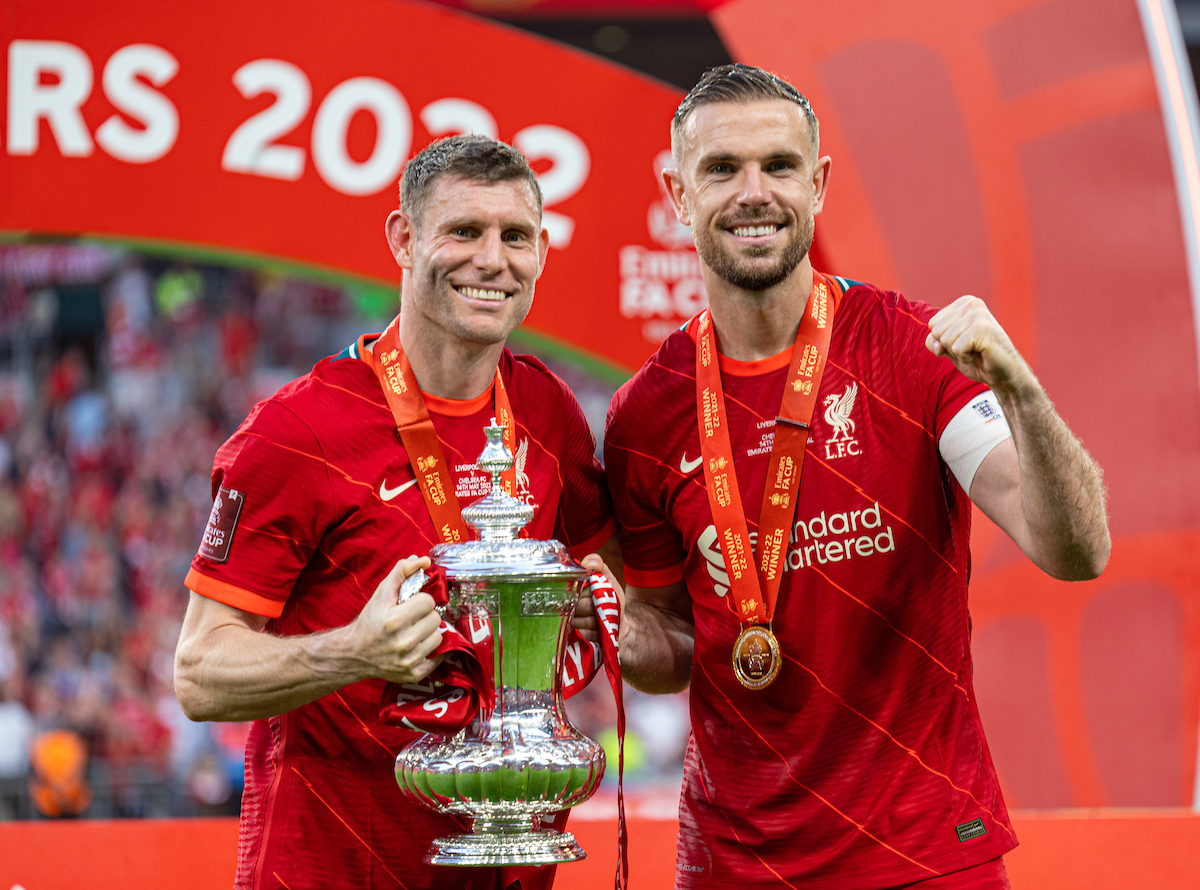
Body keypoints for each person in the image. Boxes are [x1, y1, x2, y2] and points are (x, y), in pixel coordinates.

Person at [603, 64, 1110, 890]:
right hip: (735, 865)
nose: (753, 192)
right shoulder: (643, 417)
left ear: (820, 182)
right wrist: (614, 631)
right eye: (721, 169)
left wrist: (1021, 391)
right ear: (678, 190)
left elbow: (1075, 551)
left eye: (779, 165)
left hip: (924, 850)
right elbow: (667, 649)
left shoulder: (913, 353)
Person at [174, 134, 617, 890]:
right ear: (403, 239)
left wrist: (592, 611)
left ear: (542, 250)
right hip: (332, 869)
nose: (492, 260)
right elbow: (200, 672)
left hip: (509, 863)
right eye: (464, 231)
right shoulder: (297, 432)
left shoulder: (549, 412)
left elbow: (618, 591)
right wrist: (355, 651)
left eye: (514, 236)